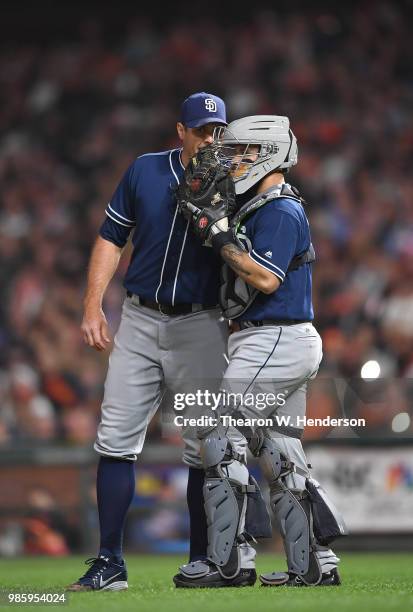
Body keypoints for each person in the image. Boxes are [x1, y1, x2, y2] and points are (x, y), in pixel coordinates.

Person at [67, 92, 233, 592]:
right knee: (115, 439)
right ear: (180, 131)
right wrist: (93, 304)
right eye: (201, 129)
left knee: (205, 448)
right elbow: (110, 238)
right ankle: (109, 563)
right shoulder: (146, 170)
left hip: (202, 323)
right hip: (139, 318)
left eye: (217, 130)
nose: (210, 138)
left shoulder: (236, 180)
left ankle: (204, 559)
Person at [173, 115, 347, 588]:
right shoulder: (265, 206)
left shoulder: (279, 210)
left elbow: (267, 278)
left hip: (275, 337)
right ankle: (314, 565)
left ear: (268, 153)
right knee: (279, 451)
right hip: (277, 339)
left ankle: (229, 563)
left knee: (220, 433)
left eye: (242, 150)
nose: (232, 159)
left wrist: (218, 232)